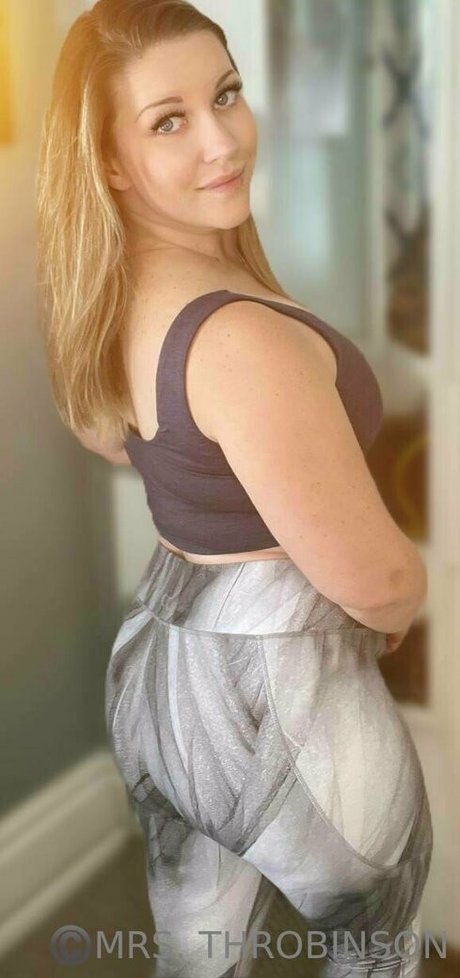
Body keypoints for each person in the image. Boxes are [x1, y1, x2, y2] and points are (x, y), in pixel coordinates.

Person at [36, 2, 433, 976]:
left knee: (198, 952)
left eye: (225, 95)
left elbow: (117, 441)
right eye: (168, 121)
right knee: (374, 950)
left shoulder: (109, 292)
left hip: (161, 659)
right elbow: (378, 582)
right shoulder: (237, 339)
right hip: (282, 689)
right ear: (111, 160)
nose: (221, 141)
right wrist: (398, 598)